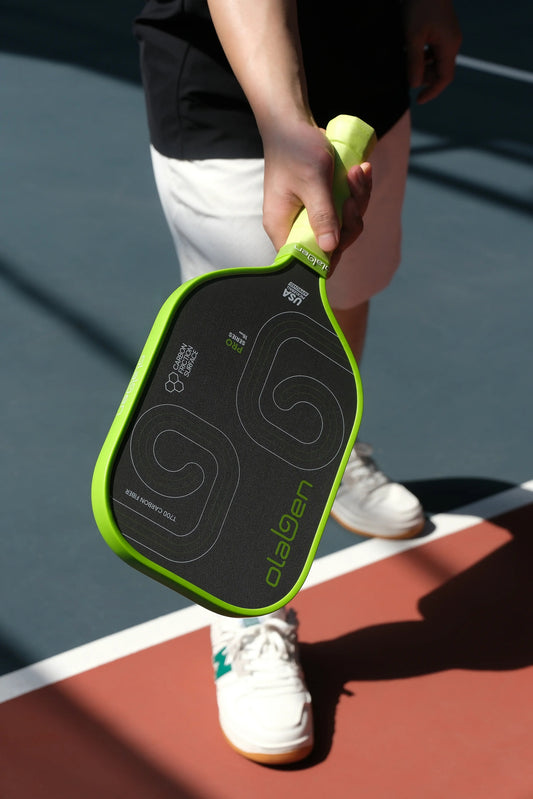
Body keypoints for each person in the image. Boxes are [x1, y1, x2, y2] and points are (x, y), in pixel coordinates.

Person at [134, 0, 462, 765]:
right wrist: (284, 121)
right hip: (226, 74)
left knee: (345, 288)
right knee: (246, 350)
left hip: (365, 62)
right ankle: (246, 607)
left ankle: (327, 453)